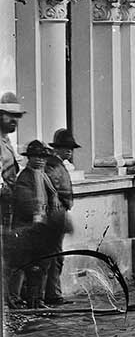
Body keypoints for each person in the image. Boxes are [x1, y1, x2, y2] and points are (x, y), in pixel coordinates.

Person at [9, 141, 58, 306]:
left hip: (41, 229)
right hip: (26, 228)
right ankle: (16, 299)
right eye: (36, 157)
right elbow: (25, 204)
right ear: (29, 158)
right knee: (23, 266)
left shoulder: (43, 176)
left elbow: (52, 197)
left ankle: (37, 299)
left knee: (42, 265)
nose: (40, 160)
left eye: (43, 157)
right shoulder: (25, 177)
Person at [41, 130, 77, 305]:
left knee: (56, 254)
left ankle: (52, 292)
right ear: (57, 148)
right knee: (55, 255)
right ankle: (53, 294)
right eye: (65, 147)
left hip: (59, 213)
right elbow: (51, 189)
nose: (69, 151)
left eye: (71, 148)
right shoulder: (53, 165)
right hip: (55, 214)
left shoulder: (58, 164)